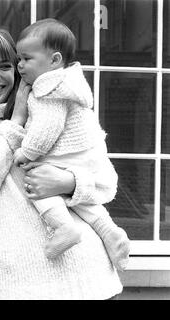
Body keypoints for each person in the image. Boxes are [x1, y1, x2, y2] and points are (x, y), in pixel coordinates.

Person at [0, 27, 123, 299]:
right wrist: (15, 123)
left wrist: (69, 182)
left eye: (5, 66)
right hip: (24, 289)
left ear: (18, 69)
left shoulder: (51, 105)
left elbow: (107, 183)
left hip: (93, 280)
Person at [11, 19, 130, 269]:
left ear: (54, 61)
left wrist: (26, 152)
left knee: (35, 183)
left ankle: (64, 227)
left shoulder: (48, 89)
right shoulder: (69, 82)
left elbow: (45, 131)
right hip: (85, 154)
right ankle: (111, 232)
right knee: (86, 203)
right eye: (18, 58)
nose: (19, 65)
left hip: (66, 155)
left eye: (26, 58)